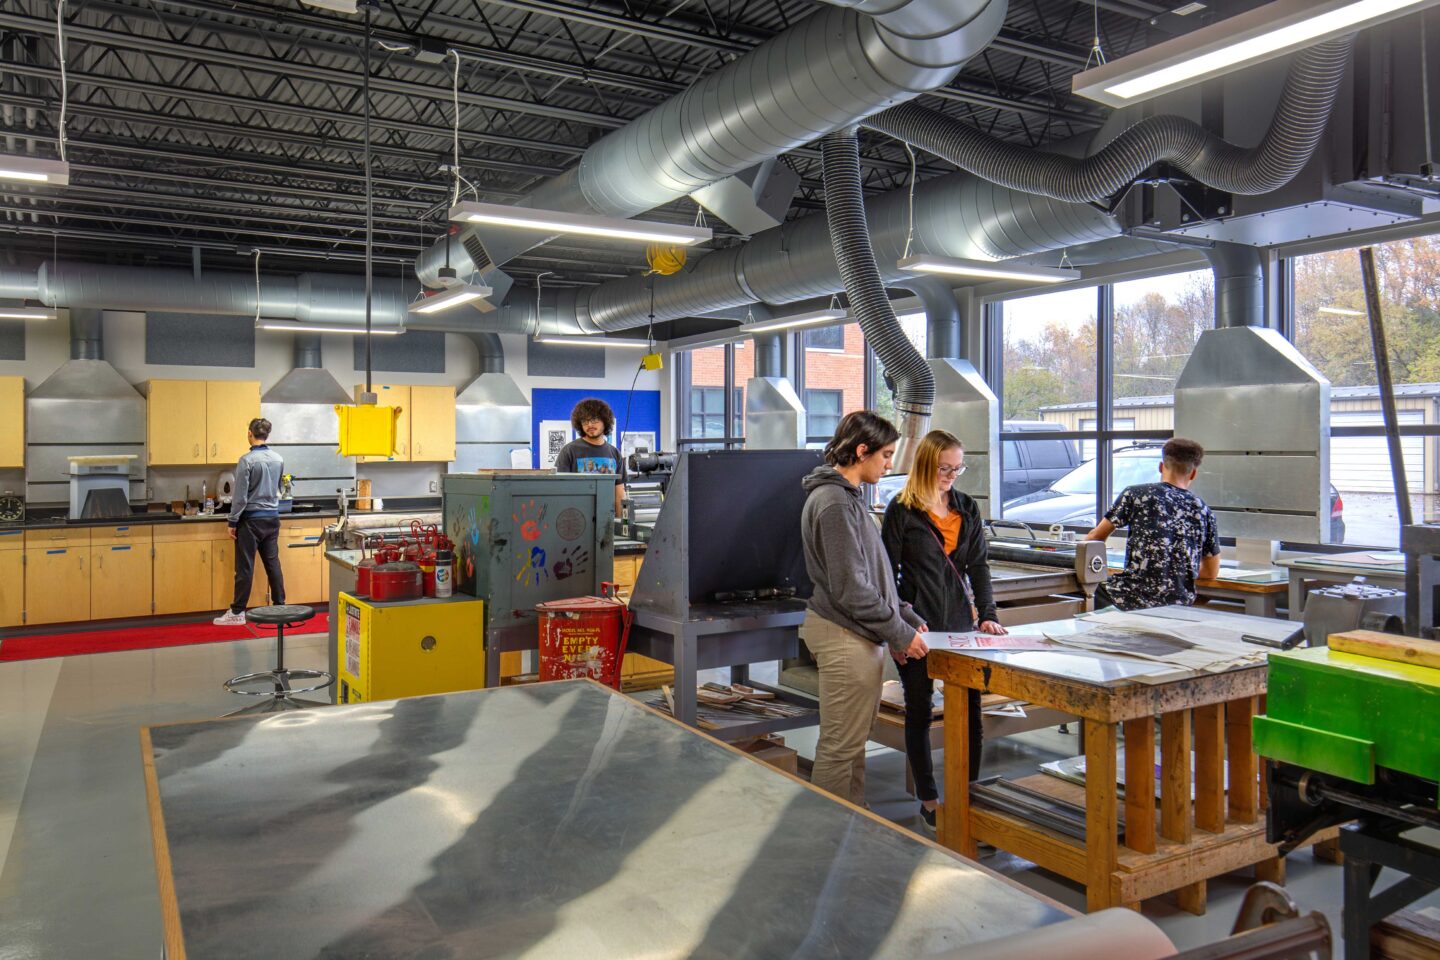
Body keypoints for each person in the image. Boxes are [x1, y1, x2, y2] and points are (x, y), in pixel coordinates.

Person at [800, 410, 928, 806]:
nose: (890, 465)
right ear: (861, 451)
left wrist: (905, 615)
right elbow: (852, 589)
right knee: (840, 747)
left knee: (853, 743)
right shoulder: (834, 503)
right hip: (843, 636)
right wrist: (901, 634)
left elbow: (873, 575)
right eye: (886, 455)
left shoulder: (848, 499)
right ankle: (830, 835)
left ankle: (852, 824)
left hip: (856, 634)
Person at [882, 430, 1005, 830]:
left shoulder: (966, 508)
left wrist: (988, 614)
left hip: (960, 627)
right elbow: (887, 574)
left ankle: (969, 794)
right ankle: (929, 798)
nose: (952, 475)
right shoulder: (901, 511)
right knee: (920, 710)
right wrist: (898, 629)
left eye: (957, 468)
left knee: (969, 713)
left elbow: (979, 567)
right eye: (944, 468)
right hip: (916, 627)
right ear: (925, 465)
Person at [1085, 437, 1221, 611]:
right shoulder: (1203, 510)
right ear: (1193, 473)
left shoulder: (1137, 494)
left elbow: (1095, 538)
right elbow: (1210, 573)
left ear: (1160, 466)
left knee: (1080, 591)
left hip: (1128, 597)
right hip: (1178, 604)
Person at [213, 418, 285, 625]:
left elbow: (240, 496)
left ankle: (237, 613)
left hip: (251, 520)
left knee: (245, 567)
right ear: (267, 435)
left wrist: (232, 521)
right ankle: (280, 607)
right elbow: (279, 488)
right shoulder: (278, 459)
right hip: (272, 518)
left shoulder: (247, 460)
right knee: (273, 564)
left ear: (250, 434)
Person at [553, 398, 627, 520]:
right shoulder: (569, 451)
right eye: (585, 421)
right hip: (577, 520)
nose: (590, 425)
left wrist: (620, 523)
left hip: (607, 520)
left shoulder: (614, 453)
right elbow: (560, 490)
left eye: (594, 420)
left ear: (605, 421)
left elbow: (619, 492)